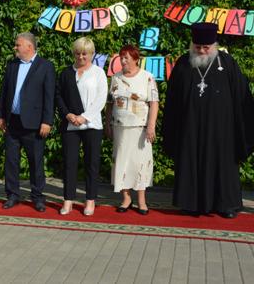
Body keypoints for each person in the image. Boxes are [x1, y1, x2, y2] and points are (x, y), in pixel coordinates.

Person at [163, 22, 254, 218]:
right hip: (190, 128)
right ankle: (191, 204)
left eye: (206, 47)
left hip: (222, 130)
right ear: (192, 45)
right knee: (190, 161)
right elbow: (173, 99)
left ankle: (225, 205)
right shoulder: (183, 63)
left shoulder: (227, 63)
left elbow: (242, 97)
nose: (202, 51)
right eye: (198, 47)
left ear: (214, 45)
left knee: (223, 164)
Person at [0, 32, 55, 212]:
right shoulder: (12, 65)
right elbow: (4, 92)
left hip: (35, 123)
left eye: (18, 45)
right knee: (11, 161)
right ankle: (12, 195)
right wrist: (1, 115)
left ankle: (37, 197)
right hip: (13, 121)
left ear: (29, 47)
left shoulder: (45, 66)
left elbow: (49, 96)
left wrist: (47, 121)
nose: (15, 47)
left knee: (35, 161)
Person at [55, 37, 107, 216]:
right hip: (70, 125)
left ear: (91, 54)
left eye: (85, 54)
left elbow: (101, 99)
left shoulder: (98, 73)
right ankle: (68, 200)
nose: (81, 57)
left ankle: (90, 200)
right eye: (78, 53)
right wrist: (68, 115)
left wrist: (84, 117)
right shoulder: (66, 73)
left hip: (92, 125)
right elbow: (58, 96)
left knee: (91, 163)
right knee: (69, 163)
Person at [106, 45, 158, 215]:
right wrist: (107, 124)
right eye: (121, 57)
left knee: (140, 164)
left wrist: (151, 126)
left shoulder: (147, 77)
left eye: (126, 58)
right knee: (122, 162)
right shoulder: (116, 77)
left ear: (136, 59)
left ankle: (142, 201)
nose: (123, 61)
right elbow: (110, 103)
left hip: (140, 128)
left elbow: (154, 103)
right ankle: (126, 198)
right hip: (120, 128)